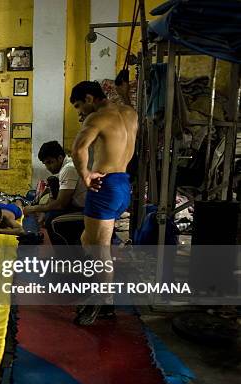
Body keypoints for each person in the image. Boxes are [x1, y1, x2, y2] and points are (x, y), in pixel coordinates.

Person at [69, 81, 137, 325]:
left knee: (100, 250)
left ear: (89, 98)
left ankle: (104, 303)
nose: (80, 112)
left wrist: (85, 174)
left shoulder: (97, 118)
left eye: (79, 105)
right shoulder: (130, 113)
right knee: (87, 241)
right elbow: (127, 107)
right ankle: (96, 291)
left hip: (104, 185)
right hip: (123, 186)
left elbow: (78, 150)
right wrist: (124, 94)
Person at [23, 141, 86, 244]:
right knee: (52, 184)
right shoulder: (65, 168)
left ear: (60, 158)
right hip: (77, 206)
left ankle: (65, 256)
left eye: (50, 162)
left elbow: (60, 204)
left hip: (85, 210)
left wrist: (33, 208)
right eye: (45, 164)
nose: (48, 167)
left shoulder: (68, 169)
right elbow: (54, 199)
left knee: (52, 220)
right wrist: (43, 210)